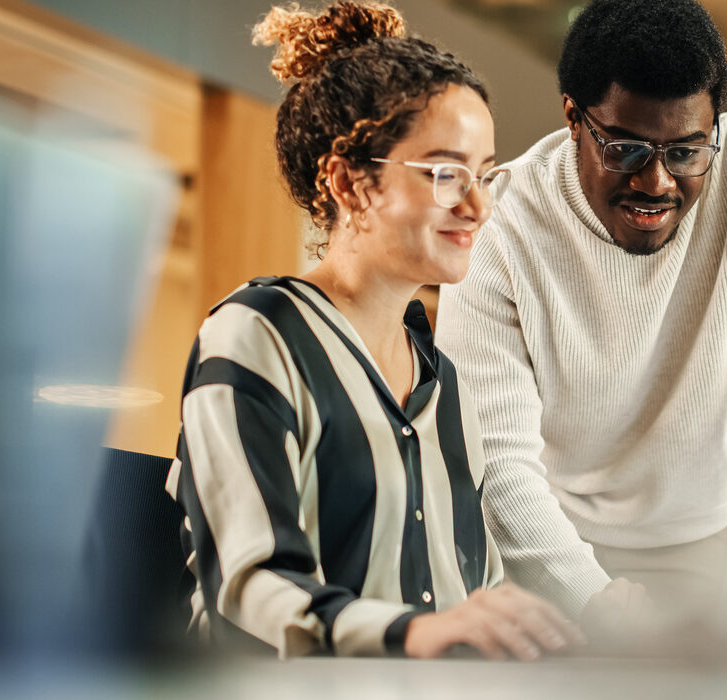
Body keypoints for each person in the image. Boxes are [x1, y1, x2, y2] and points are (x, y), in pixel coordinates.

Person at [166, 1, 583, 659]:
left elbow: (475, 598)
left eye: (485, 175)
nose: (477, 206)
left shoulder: (445, 386)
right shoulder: (258, 334)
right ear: (349, 184)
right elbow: (248, 588)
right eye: (446, 173)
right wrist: (412, 634)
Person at [436, 0, 727, 623]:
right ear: (573, 119)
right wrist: (595, 603)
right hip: (557, 549)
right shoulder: (501, 225)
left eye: (687, 152)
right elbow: (498, 463)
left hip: (724, 533)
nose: (658, 183)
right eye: (627, 150)